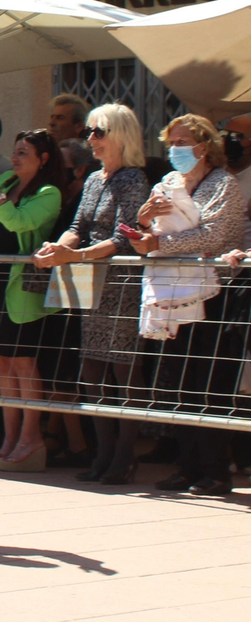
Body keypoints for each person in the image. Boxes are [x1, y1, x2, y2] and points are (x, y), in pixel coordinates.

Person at [31, 103, 150, 485]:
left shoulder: (133, 180)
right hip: (89, 277)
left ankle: (124, 455)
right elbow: (78, 224)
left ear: (120, 135)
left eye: (98, 132)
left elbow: (124, 237)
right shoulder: (97, 179)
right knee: (92, 370)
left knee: (123, 369)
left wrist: (74, 254)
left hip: (121, 282)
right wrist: (57, 246)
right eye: (90, 133)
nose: (91, 140)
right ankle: (103, 451)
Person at [127, 115, 243, 496]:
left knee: (207, 382)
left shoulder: (223, 184)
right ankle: (186, 464)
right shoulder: (167, 184)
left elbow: (215, 233)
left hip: (213, 295)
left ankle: (214, 469)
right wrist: (143, 224)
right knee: (176, 381)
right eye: (170, 141)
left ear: (204, 146)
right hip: (171, 293)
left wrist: (161, 245)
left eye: (182, 141)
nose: (174, 148)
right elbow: (150, 232)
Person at [0, 130, 66, 473]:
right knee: (3, 363)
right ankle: (10, 438)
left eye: (24, 152)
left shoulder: (48, 192)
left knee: (24, 364)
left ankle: (31, 437)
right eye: (16, 150)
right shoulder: (7, 180)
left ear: (44, 158)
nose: (17, 157)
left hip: (23, 287)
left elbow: (16, 219)